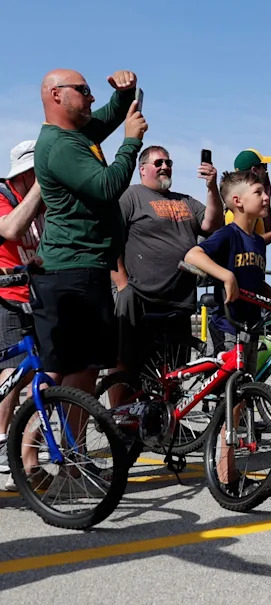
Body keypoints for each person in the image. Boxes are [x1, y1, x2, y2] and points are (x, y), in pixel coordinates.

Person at [32, 68, 147, 394]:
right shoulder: (61, 145)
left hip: (83, 269)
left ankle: (64, 445)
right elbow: (106, 186)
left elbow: (108, 117)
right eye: (83, 90)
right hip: (72, 271)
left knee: (81, 369)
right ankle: (32, 446)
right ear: (57, 95)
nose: (91, 96)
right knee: (68, 371)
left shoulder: (77, 134)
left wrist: (124, 94)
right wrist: (131, 143)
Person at [184, 170, 271, 490]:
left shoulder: (258, 242)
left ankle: (228, 469)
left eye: (265, 191)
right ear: (237, 201)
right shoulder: (228, 234)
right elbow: (193, 254)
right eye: (258, 192)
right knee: (231, 403)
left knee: (241, 400)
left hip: (251, 327)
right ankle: (226, 476)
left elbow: (255, 280)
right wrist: (225, 276)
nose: (266, 197)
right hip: (226, 326)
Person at [113, 145, 222, 370]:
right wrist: (122, 284)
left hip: (179, 301)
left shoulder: (186, 201)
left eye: (168, 163)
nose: (165, 167)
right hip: (141, 297)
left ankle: (164, 408)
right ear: (142, 169)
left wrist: (212, 187)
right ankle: (118, 407)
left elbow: (213, 224)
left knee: (173, 372)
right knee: (126, 362)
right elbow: (110, 239)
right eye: (158, 163)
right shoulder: (131, 196)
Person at [0, 140, 45, 478]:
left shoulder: (43, 204)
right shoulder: (3, 196)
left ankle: (29, 460)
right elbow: (11, 230)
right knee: (14, 373)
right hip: (7, 296)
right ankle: (3, 444)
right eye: (38, 172)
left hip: (36, 296)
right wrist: (38, 190)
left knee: (40, 377)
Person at [227, 148, 271, 244]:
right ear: (255, 170)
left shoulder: (250, 203)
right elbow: (246, 243)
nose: (266, 172)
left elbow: (264, 232)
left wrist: (267, 198)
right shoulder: (241, 206)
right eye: (264, 166)